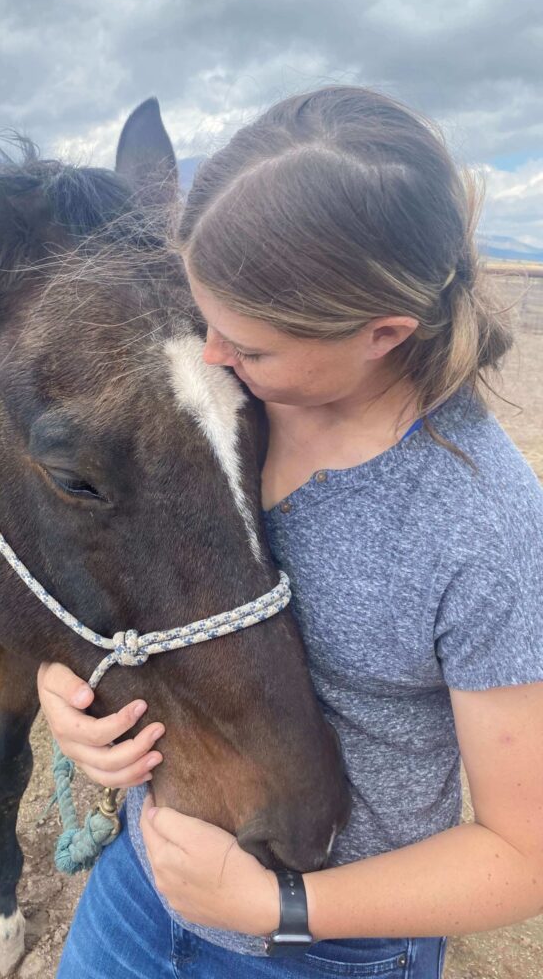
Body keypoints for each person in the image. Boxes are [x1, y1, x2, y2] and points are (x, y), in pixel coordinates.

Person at [38, 86, 543, 978]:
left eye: (251, 346)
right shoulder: (219, 408)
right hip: (140, 886)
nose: (210, 360)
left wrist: (278, 906)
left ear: (383, 332)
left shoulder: (479, 519)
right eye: (207, 324)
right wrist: (71, 695)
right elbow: (119, 580)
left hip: (330, 949)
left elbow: (522, 854)